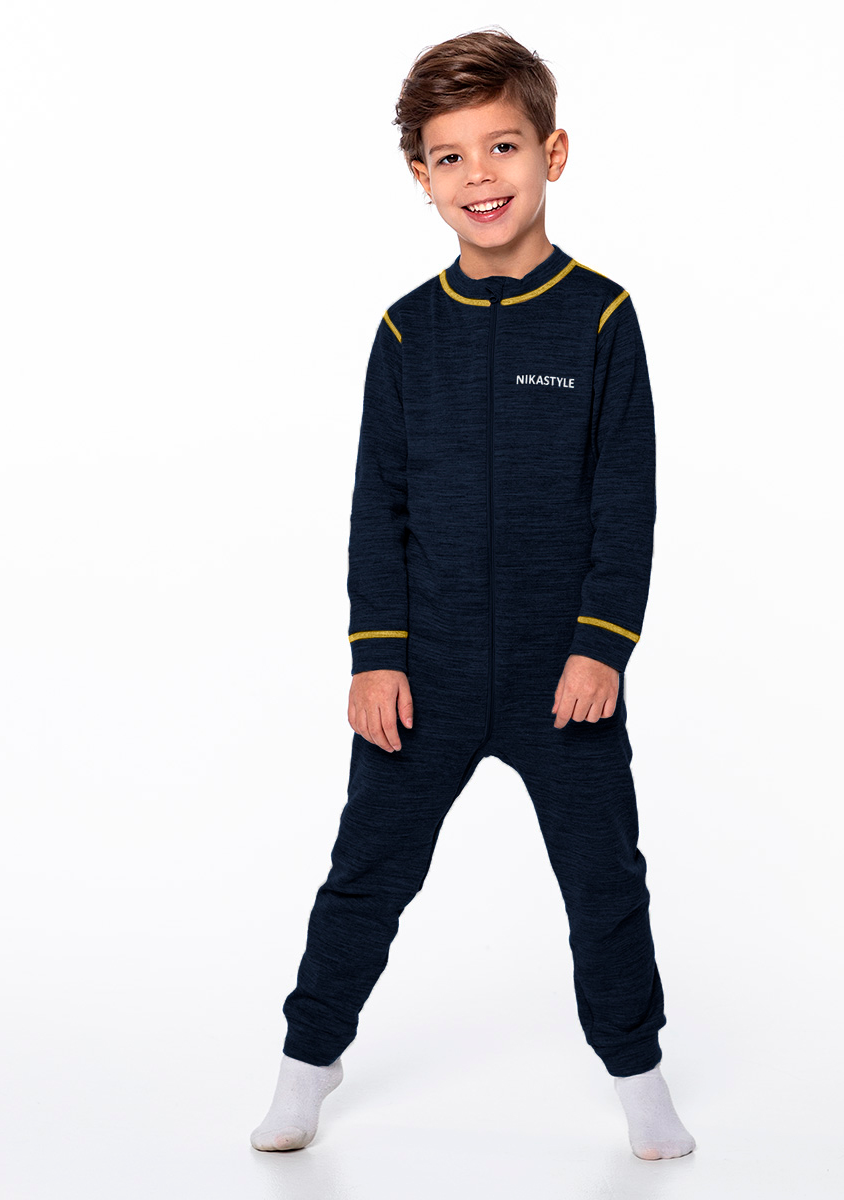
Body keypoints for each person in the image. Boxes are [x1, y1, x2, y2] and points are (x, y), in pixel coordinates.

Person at [251, 27, 696, 1161]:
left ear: (553, 152)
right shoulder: (407, 331)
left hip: (564, 682)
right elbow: (378, 506)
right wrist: (376, 656)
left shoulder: (601, 318)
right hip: (427, 677)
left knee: (604, 882)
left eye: (503, 146)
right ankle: (308, 1061)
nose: (480, 175)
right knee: (366, 875)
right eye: (449, 157)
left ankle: (640, 1077)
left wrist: (601, 646)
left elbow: (627, 501)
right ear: (421, 177)